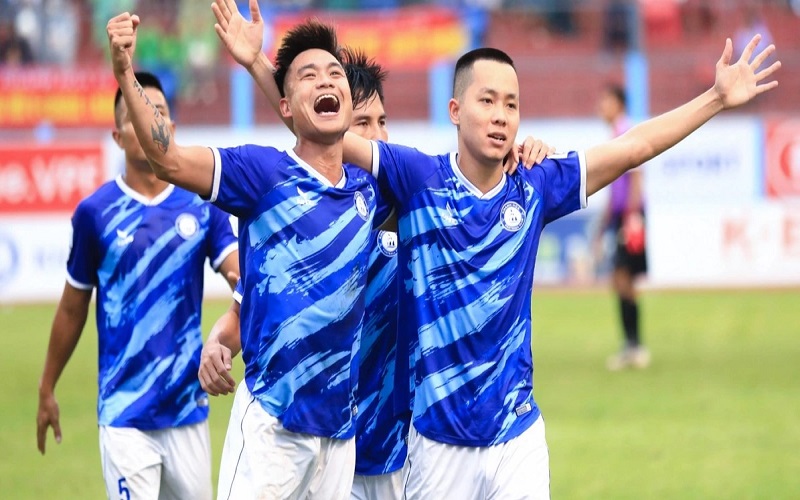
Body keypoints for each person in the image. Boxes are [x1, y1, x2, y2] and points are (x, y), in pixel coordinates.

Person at [236, 10, 780, 496]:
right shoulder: (418, 180)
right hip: (437, 446)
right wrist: (259, 65)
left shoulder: (536, 185)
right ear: (455, 109)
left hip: (517, 436)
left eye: (512, 105)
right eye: (487, 101)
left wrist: (715, 99)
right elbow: (323, 129)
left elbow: (634, 147)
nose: (500, 115)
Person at [107, 5, 393, 498]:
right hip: (273, 430)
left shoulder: (370, 193)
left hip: (340, 438)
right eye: (308, 76)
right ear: (285, 105)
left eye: (334, 74)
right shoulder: (261, 174)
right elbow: (168, 159)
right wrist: (125, 71)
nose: (326, 81)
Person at [35, 71, 239, 500]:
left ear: (172, 129)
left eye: (158, 112)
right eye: (135, 115)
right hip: (123, 413)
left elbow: (240, 275)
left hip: (186, 407)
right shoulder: (95, 213)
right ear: (117, 135)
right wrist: (47, 386)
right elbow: (72, 307)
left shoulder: (202, 204)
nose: (148, 122)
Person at [595, 83, 650, 371]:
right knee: (620, 279)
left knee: (624, 279)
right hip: (621, 216)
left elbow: (637, 177)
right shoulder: (615, 135)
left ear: (618, 104)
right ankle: (631, 345)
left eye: (605, 101)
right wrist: (604, 226)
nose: (600, 107)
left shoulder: (626, 133)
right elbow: (614, 189)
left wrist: (631, 217)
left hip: (630, 216)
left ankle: (635, 346)